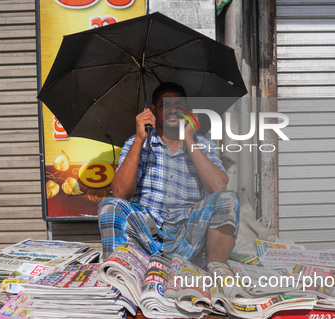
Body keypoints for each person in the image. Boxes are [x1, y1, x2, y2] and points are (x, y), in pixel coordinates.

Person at [98, 82, 240, 267]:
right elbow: (119, 193)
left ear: (188, 111)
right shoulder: (137, 142)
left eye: (179, 106)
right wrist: (140, 138)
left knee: (227, 198)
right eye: (166, 105)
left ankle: (215, 274)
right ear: (153, 110)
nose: (173, 111)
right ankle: (118, 274)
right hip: (147, 234)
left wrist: (189, 139)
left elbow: (219, 187)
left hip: (189, 235)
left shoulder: (203, 144)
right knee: (110, 206)